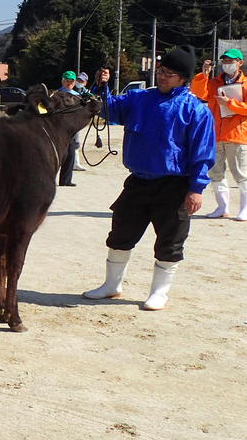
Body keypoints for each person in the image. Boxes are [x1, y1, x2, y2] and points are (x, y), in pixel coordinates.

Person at [83, 46, 215, 311]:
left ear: (183, 78)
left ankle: (159, 293)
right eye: (161, 71)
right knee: (120, 234)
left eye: (170, 73)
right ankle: (111, 286)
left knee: (170, 241)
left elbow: (202, 153)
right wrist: (102, 86)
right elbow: (106, 109)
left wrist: (196, 188)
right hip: (138, 181)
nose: (163, 77)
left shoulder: (195, 110)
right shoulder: (138, 98)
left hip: (175, 186)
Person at [195, 48, 247, 221]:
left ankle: (244, 209)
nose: (227, 64)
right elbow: (199, 93)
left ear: (240, 63)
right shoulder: (214, 82)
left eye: (231, 61)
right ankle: (222, 207)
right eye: (224, 61)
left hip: (237, 135)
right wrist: (204, 75)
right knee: (216, 173)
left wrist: (230, 103)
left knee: (241, 173)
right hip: (215, 135)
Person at [57, 71, 80, 186]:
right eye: (67, 81)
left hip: (72, 130)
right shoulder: (57, 94)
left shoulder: (78, 96)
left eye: (71, 81)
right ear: (62, 80)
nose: (69, 83)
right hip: (58, 130)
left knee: (71, 154)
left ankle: (66, 180)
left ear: (75, 82)